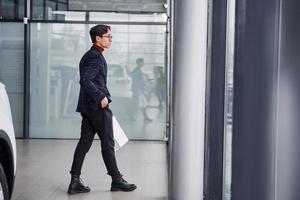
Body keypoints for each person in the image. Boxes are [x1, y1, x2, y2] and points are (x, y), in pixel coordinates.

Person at [68, 25, 137, 195]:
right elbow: (85, 80)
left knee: (84, 143)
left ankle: (75, 181)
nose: (110, 39)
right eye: (108, 36)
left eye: (111, 37)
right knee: (108, 144)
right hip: (97, 107)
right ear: (98, 38)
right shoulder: (95, 57)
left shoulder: (92, 55)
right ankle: (117, 180)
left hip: (88, 108)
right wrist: (100, 96)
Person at [130, 58, 152, 122]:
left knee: (142, 103)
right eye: (142, 62)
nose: (143, 63)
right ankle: (131, 115)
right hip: (137, 90)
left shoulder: (137, 70)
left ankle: (145, 117)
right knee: (136, 103)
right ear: (139, 63)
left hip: (138, 89)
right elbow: (137, 81)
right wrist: (142, 88)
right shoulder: (136, 71)